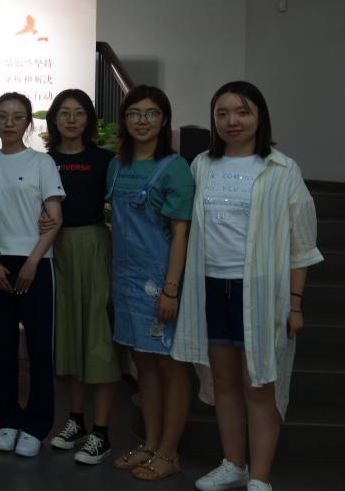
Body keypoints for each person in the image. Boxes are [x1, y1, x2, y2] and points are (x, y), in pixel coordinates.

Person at [173, 82, 322, 491]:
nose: (232, 121)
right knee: (223, 383)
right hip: (210, 288)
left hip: (260, 293)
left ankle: (260, 476)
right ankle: (234, 464)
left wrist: (295, 304)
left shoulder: (281, 169)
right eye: (222, 113)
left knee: (259, 385)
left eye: (242, 112)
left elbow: (301, 246)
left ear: (260, 116)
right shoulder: (201, 165)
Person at [107, 84, 194, 482]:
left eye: (151, 113)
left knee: (170, 366)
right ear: (124, 120)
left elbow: (181, 234)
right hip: (125, 278)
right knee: (143, 363)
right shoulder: (117, 165)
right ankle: (150, 443)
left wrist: (171, 289)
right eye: (134, 114)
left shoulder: (175, 167)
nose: (142, 121)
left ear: (164, 120)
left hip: (160, 281)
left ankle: (168, 451)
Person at [0, 92, 65, 459]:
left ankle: (36, 424)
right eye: (2, 116)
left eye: (17, 117)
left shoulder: (41, 163)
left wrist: (33, 262)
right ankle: (6, 419)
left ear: (28, 123)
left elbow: (55, 218)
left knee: (38, 349)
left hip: (36, 265)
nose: (9, 123)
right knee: (1, 348)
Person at [44, 89, 121, 464]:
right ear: (54, 119)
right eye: (64, 113)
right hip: (55, 249)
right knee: (69, 336)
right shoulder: (46, 161)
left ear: (89, 119)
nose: (71, 119)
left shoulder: (105, 160)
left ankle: (101, 431)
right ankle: (75, 421)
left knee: (97, 336)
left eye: (78, 113)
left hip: (93, 246)